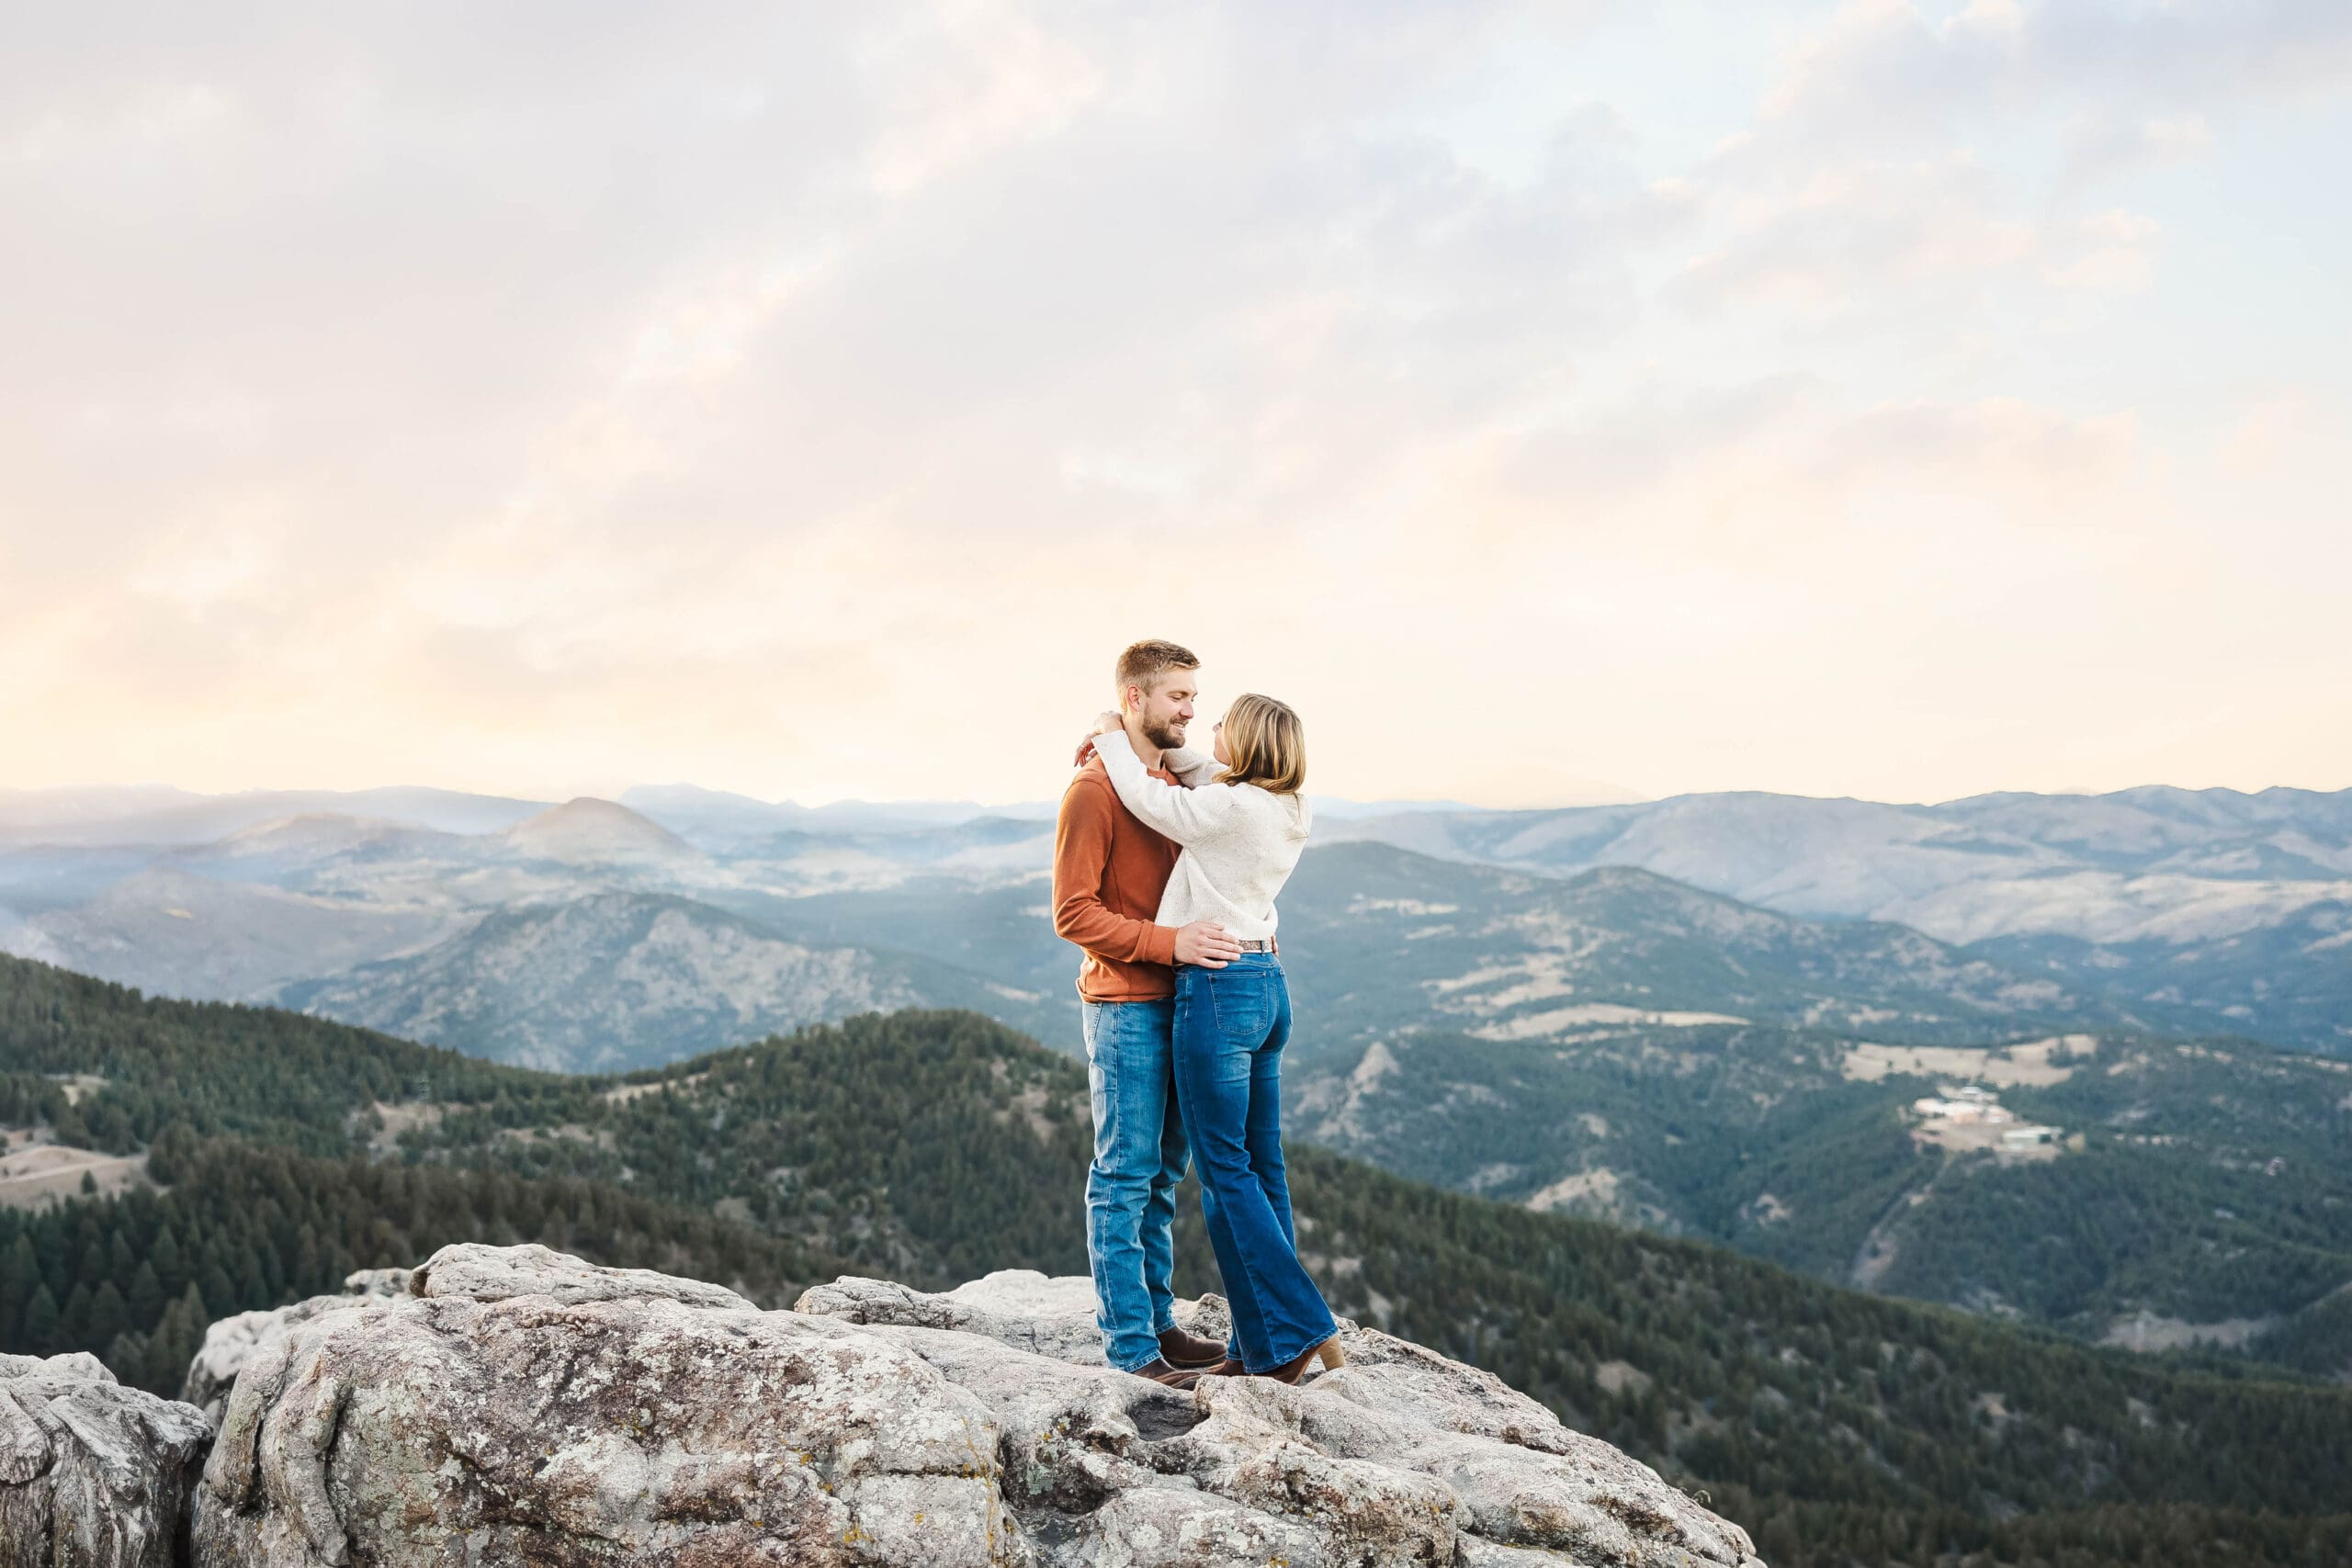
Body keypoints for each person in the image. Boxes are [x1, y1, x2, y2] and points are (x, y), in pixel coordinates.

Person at [1087, 691, 1343, 1383]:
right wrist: (1169, 745)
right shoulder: (1289, 805)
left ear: (1250, 740)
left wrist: (1114, 735)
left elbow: (1151, 800)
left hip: (1220, 991)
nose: (1212, 727)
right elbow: (1207, 774)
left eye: (1225, 721)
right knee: (1265, 1167)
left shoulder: (1230, 810)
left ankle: (1298, 1328)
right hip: (1268, 983)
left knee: (1225, 1170)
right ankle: (1263, 1343)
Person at [1052, 639, 1244, 1389]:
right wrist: (1172, 942)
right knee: (1124, 1175)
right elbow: (1074, 913)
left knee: (1165, 1172)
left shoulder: (1166, 782)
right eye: (1177, 697)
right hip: (1126, 1008)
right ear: (1136, 699)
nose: (1192, 711)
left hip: (1184, 1003)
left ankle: (1159, 1323)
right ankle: (1131, 1347)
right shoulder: (1095, 791)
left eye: (1195, 697)